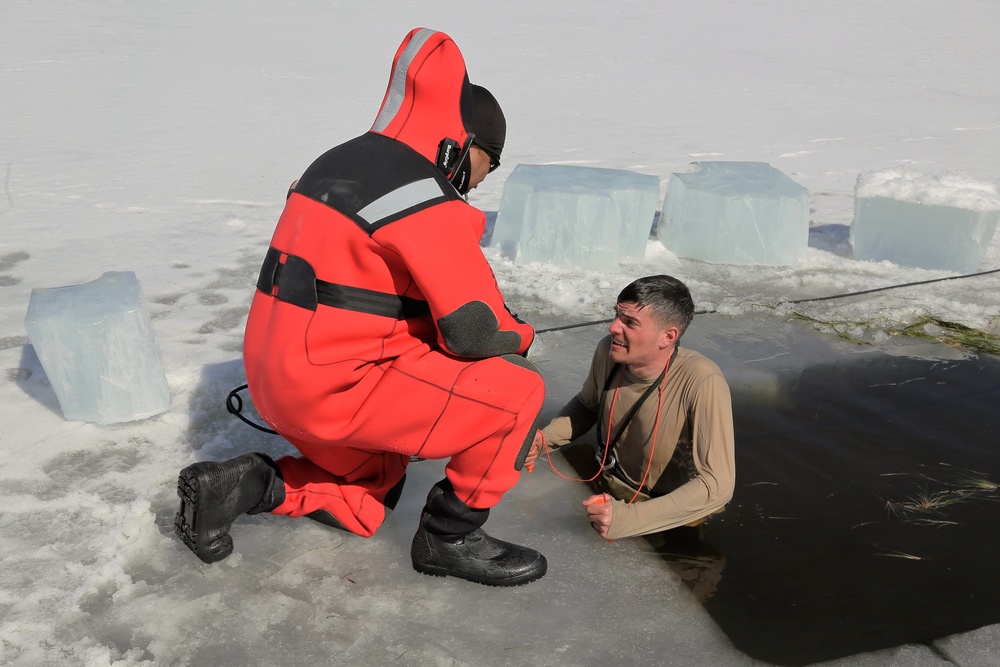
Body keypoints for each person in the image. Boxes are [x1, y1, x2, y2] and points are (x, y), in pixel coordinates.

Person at [173, 28, 547, 587]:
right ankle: (450, 538)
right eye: (483, 168)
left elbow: (359, 280)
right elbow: (474, 329)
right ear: (466, 142)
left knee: (372, 488)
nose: (475, 186)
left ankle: (244, 486)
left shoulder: (338, 161)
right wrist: (521, 336)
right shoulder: (421, 191)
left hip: (274, 378)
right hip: (334, 389)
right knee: (517, 393)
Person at [525, 275, 735, 541]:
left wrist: (629, 518)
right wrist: (543, 440)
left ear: (667, 336)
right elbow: (587, 407)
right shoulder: (609, 352)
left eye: (630, 322)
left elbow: (716, 486)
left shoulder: (702, 380)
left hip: (671, 519)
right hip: (609, 495)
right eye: (616, 315)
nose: (613, 327)